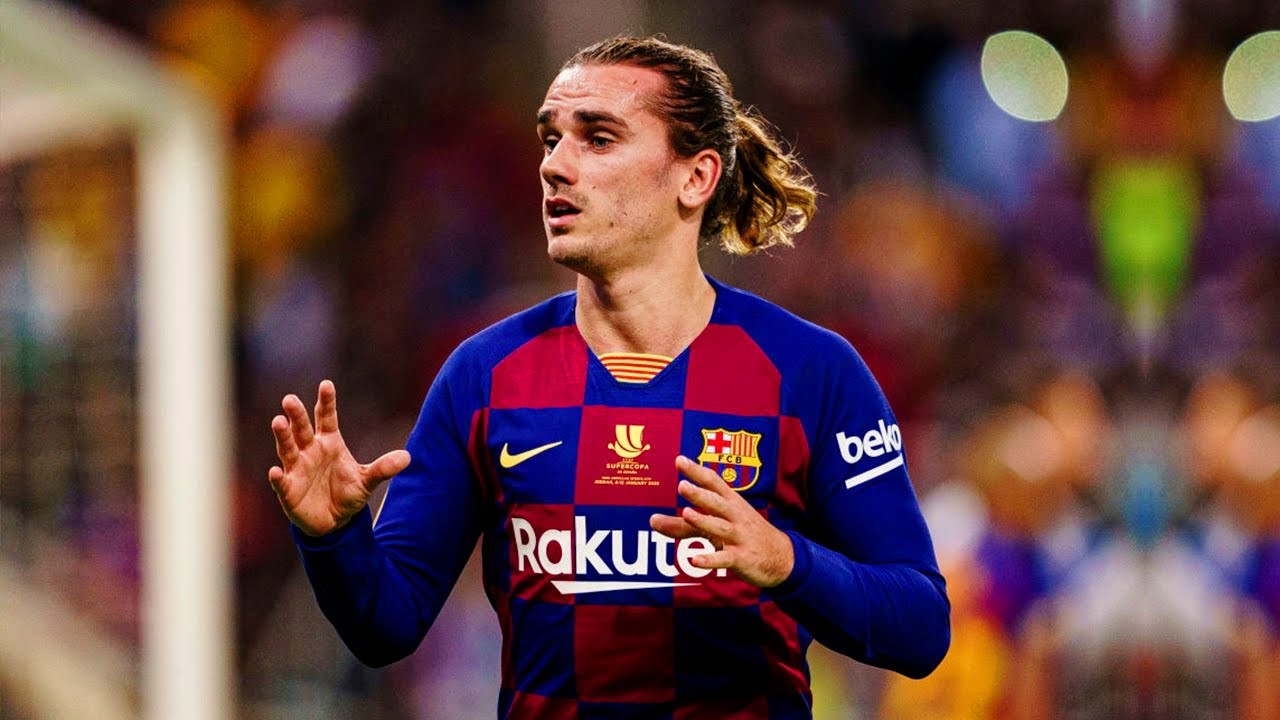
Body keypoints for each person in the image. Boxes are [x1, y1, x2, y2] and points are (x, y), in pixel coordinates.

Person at [269, 35, 950, 719]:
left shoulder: (811, 371)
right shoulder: (483, 374)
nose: (554, 166)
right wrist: (333, 538)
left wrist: (785, 561)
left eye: (597, 139)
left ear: (696, 177)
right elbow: (386, 625)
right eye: (550, 139)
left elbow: (921, 627)